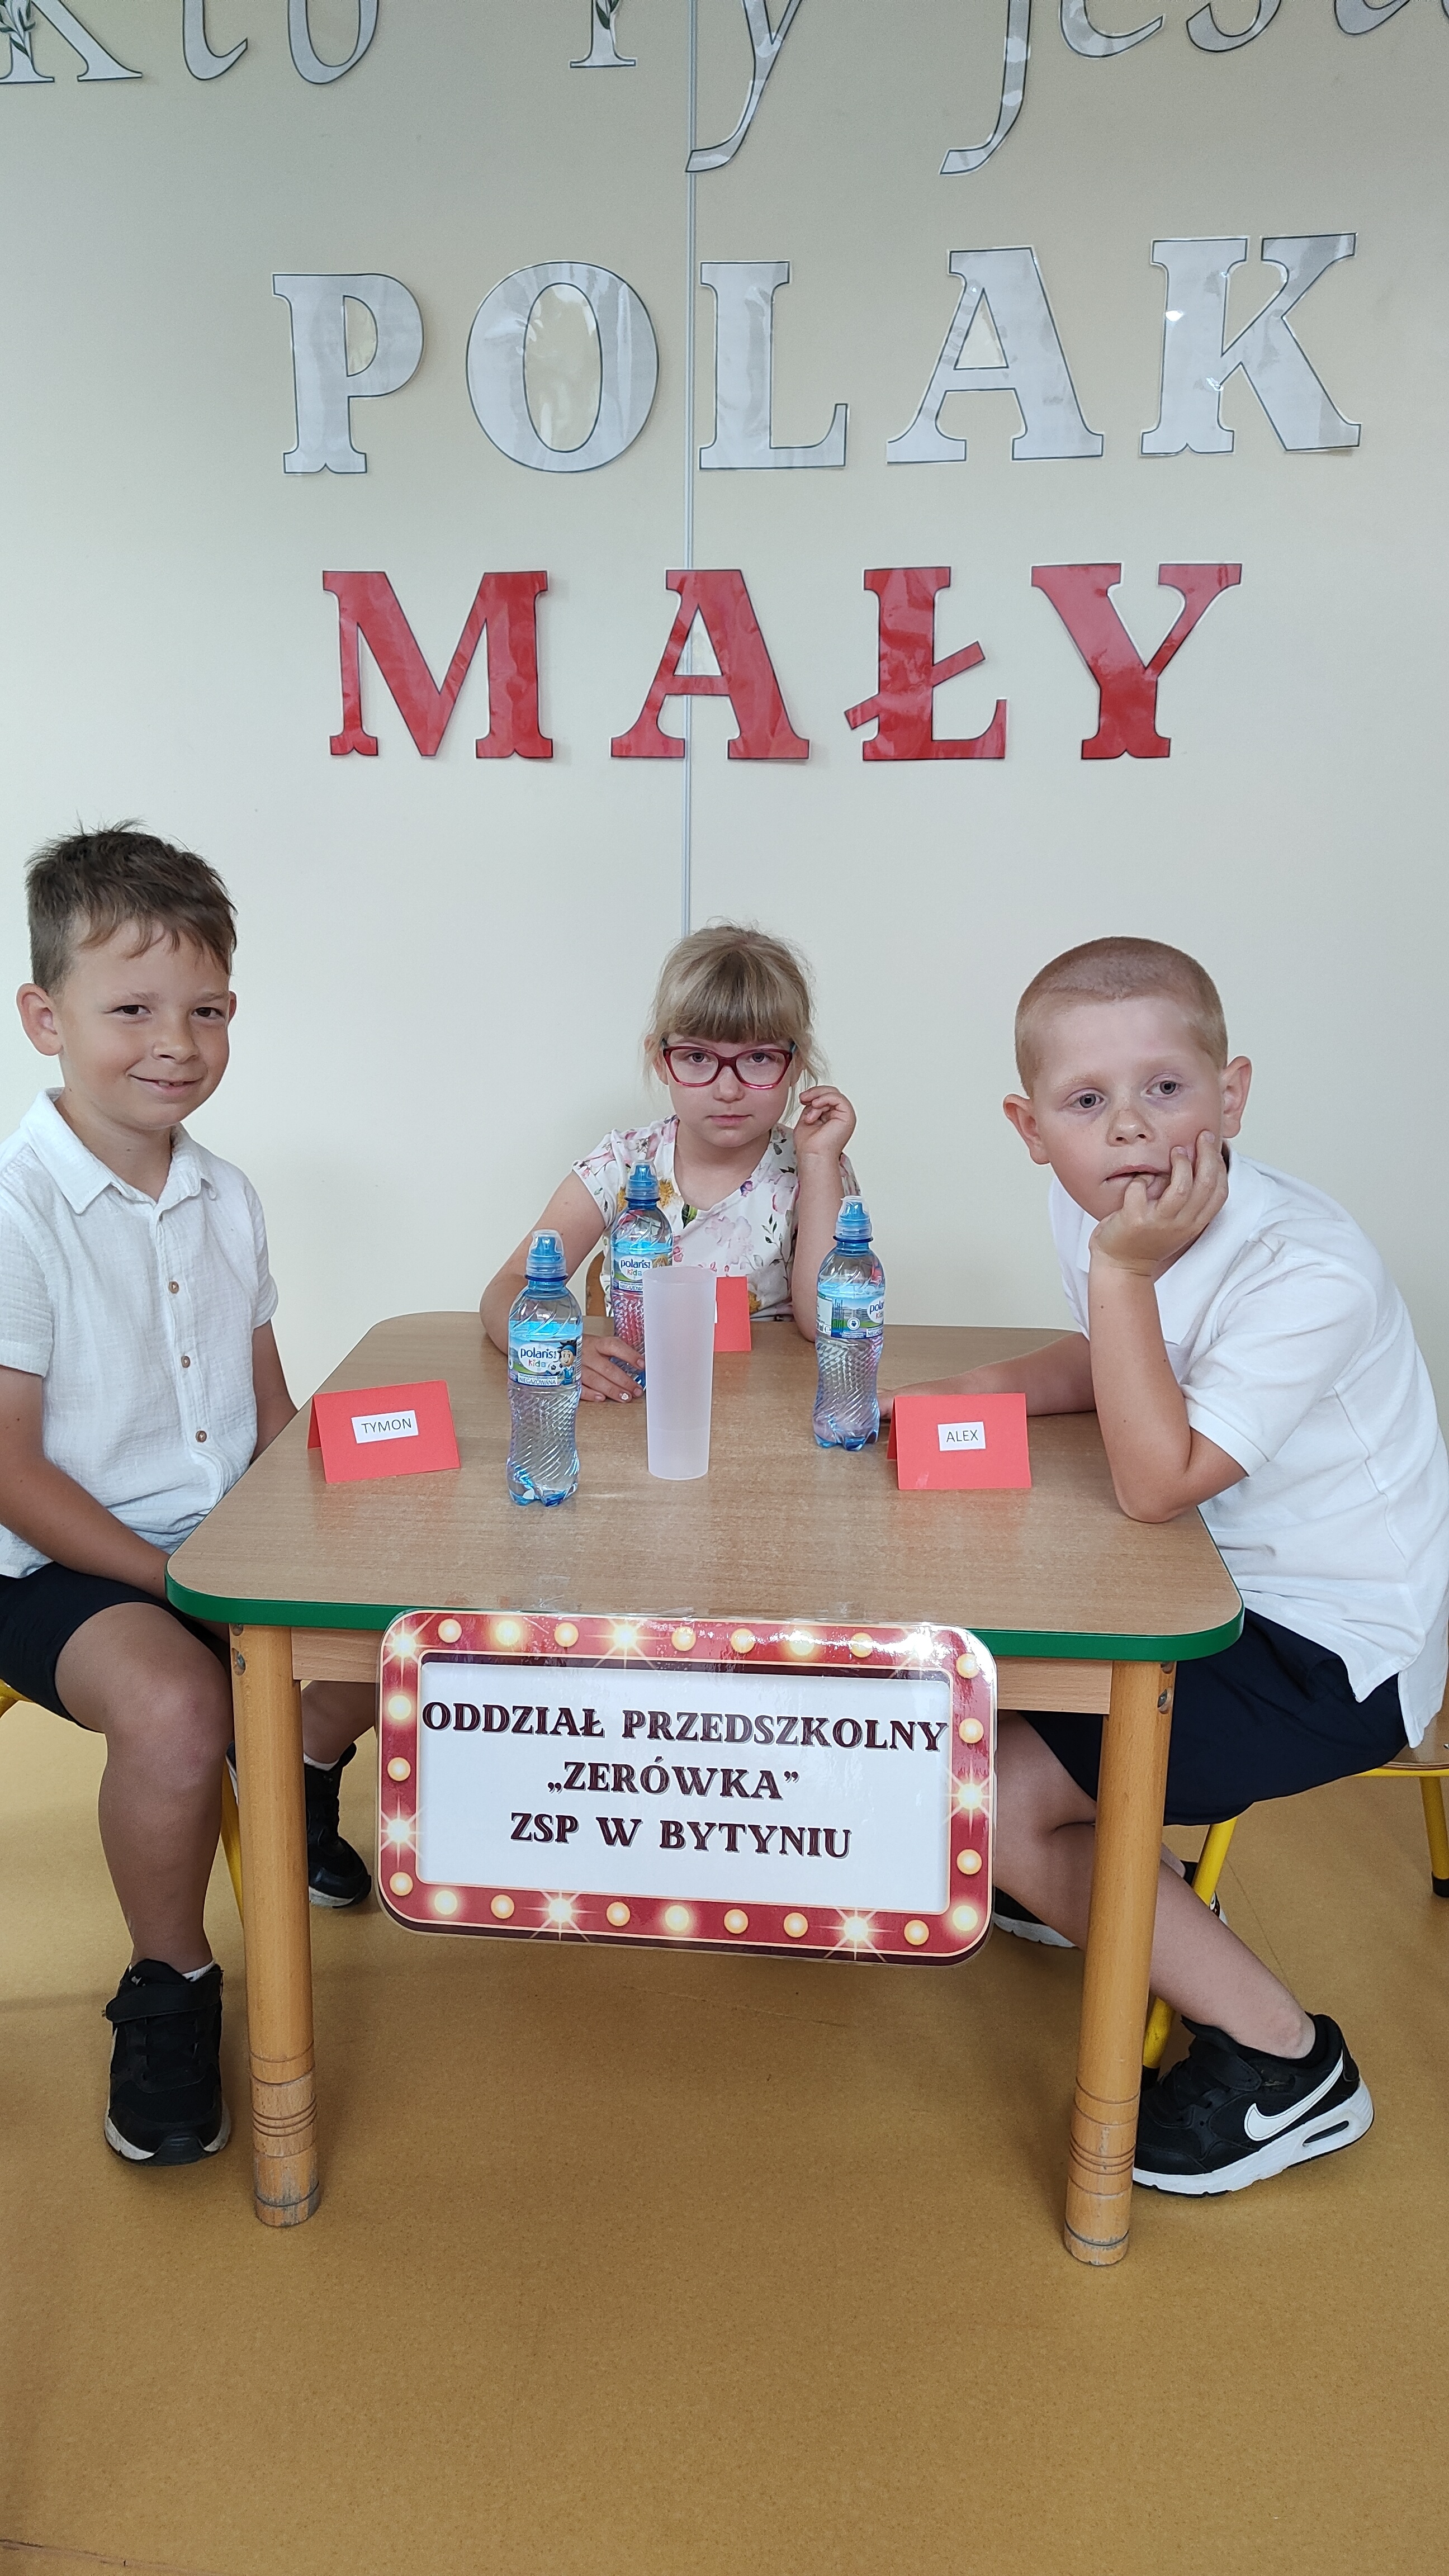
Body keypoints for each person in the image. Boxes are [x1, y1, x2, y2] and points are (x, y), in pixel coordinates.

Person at [898, 935, 1449, 2196]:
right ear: (1031, 1128)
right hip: (1209, 1580)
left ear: (1231, 1094)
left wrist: (1119, 1270)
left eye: (1165, 1088)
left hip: (1331, 1653)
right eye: (1088, 1100)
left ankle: (1286, 2059)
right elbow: (1118, 1358)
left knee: (980, 1789)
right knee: (961, 1695)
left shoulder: (1301, 1265)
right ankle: (1087, 1881)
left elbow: (1155, 1480)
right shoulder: (1114, 1208)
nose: (1131, 1129)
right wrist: (971, 1393)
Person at [0, 827, 375, 2167]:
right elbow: (12, 1471)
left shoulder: (228, 1195)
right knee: (177, 1706)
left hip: (214, 1540)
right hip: (54, 1561)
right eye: (134, 1010)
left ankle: (301, 1778)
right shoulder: (17, 1208)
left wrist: (344, 1516)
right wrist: (180, 1584)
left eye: (207, 1010)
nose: (177, 1042)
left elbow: (269, 1413)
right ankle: (170, 1984)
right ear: (45, 1017)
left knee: (396, 1622)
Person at [481, 922, 859, 1394]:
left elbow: (825, 1325)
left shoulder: (816, 1168)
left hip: (769, 1405)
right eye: (698, 1057)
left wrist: (819, 1160)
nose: (728, 1089)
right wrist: (561, 1349)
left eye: (759, 1057)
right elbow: (505, 1290)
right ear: (661, 1060)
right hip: (642, 1405)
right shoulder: (623, 1163)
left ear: (796, 1064)